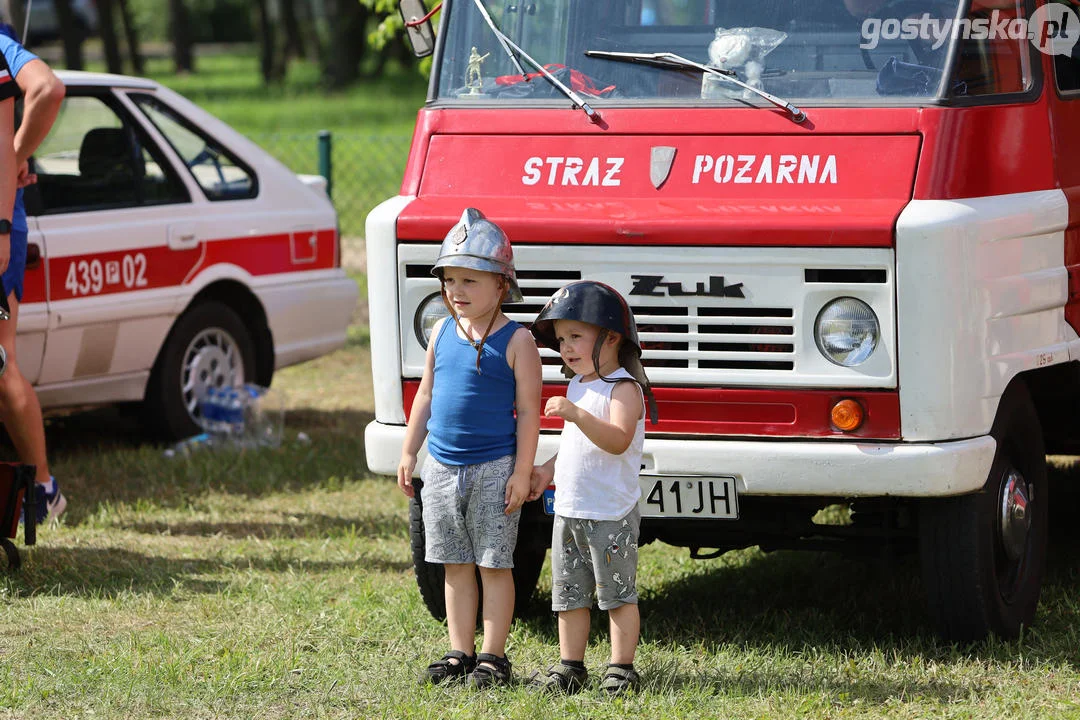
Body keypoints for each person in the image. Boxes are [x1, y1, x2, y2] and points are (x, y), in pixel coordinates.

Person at [396, 208, 542, 688]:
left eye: (470, 280)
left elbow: (528, 413)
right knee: (454, 564)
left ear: (502, 284)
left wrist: (522, 472)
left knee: (495, 564)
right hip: (441, 467)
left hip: (494, 468)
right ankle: (460, 651)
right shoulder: (441, 331)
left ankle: (494, 656)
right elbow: (425, 396)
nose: (456, 291)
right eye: (450, 280)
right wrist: (409, 451)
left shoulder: (518, 340)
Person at [526, 280, 658, 695]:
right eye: (562, 339)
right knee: (569, 595)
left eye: (576, 336)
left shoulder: (624, 389)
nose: (566, 347)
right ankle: (571, 665)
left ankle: (621, 668)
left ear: (612, 336)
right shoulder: (579, 385)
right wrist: (547, 470)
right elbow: (574, 446)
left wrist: (577, 415)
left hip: (609, 513)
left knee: (617, 594)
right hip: (569, 509)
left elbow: (617, 439)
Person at [0, 24, 66, 523]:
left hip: (2, 221)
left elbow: (47, 87)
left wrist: (15, 156)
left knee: (3, 364)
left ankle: (42, 488)